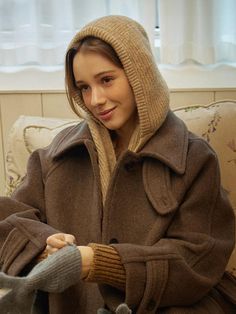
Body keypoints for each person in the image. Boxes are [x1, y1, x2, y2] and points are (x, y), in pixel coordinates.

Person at [0, 15, 235, 314]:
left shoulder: (196, 159)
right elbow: (9, 219)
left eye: (106, 80)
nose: (95, 99)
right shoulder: (57, 155)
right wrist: (44, 244)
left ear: (141, 75)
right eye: (84, 87)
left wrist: (99, 263)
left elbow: (199, 258)